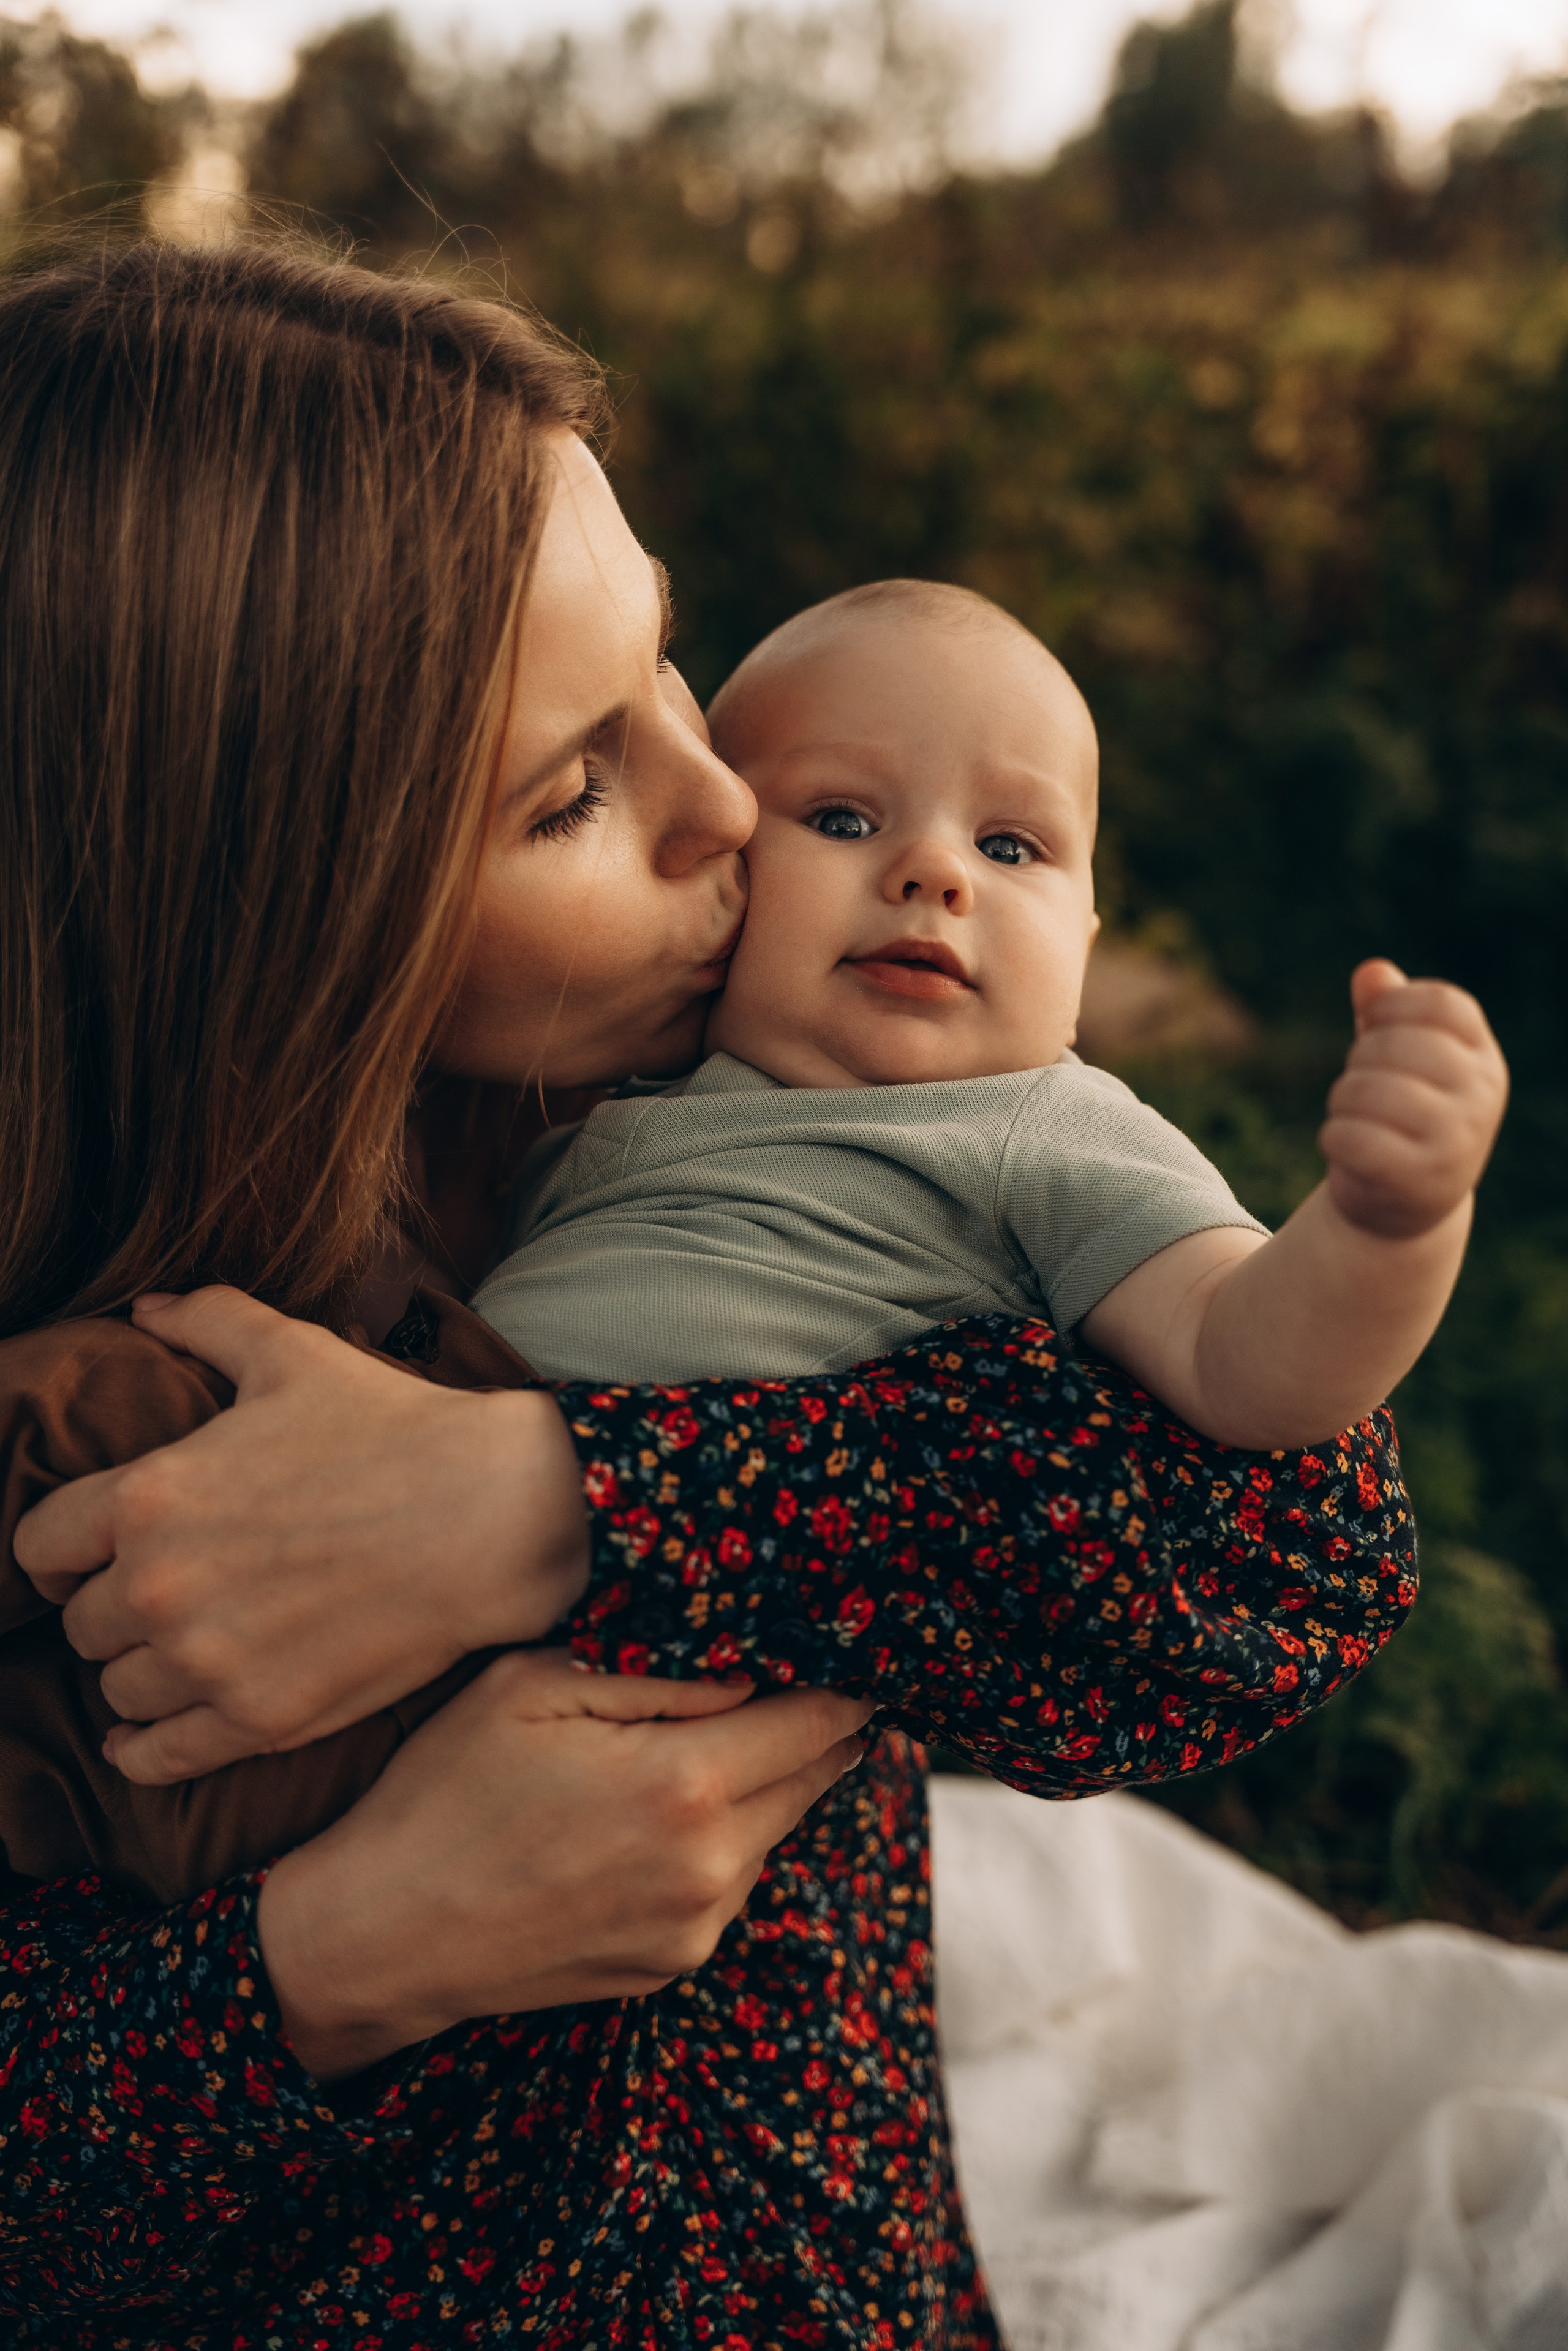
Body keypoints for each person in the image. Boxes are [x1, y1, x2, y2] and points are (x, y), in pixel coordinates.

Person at [0, 236, 1412, 2349]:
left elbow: (1292, 1548)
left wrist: (563, 1493)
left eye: (665, 666)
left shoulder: (728, 1085)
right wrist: (341, 1948)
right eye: (573, 786)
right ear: (267, 909)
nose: (727, 802)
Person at [473, 580, 1507, 1454]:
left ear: (1087, 939)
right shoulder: (618, 1083)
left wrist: (1392, 1222)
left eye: (1010, 846)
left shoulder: (1032, 1122)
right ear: (726, 863)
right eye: (843, 819)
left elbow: (1241, 1362)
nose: (935, 870)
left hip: (698, 1615)